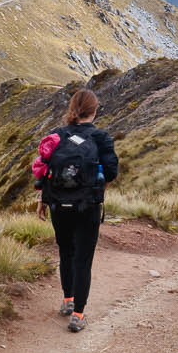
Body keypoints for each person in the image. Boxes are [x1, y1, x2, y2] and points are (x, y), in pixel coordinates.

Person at [33, 87, 119, 332]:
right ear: (94, 111)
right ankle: (78, 315)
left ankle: (67, 301)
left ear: (72, 110)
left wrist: (42, 199)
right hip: (87, 206)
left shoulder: (57, 135)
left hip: (58, 204)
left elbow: (43, 170)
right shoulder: (101, 138)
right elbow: (112, 171)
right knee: (83, 259)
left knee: (65, 252)